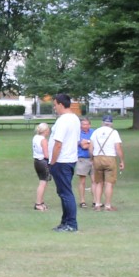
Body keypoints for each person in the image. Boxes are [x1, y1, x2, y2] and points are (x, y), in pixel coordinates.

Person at [47, 93, 81, 232]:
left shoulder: (63, 120)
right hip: (70, 160)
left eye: (55, 105)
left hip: (61, 161)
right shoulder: (75, 119)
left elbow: (58, 144)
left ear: (61, 104)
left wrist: (52, 162)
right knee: (63, 192)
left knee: (66, 193)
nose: (54, 108)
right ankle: (65, 221)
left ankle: (71, 224)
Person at [88, 115, 124, 209]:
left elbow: (91, 148)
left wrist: (92, 158)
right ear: (111, 123)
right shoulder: (114, 132)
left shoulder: (95, 132)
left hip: (97, 158)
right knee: (109, 183)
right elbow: (118, 148)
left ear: (102, 122)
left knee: (98, 182)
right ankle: (107, 205)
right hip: (109, 158)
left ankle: (97, 204)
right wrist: (121, 161)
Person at [75, 116, 95, 208]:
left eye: (87, 124)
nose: (85, 126)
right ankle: (82, 201)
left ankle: (95, 200)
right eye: (83, 124)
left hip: (93, 159)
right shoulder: (77, 133)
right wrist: (90, 143)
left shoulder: (94, 132)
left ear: (90, 125)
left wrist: (87, 142)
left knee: (94, 180)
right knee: (82, 181)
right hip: (82, 159)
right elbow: (83, 146)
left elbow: (96, 144)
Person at [31, 122, 51, 211]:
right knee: (43, 183)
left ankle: (41, 202)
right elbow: (46, 154)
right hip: (43, 161)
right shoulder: (43, 140)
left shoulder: (35, 137)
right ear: (45, 131)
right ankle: (38, 203)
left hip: (36, 161)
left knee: (43, 182)